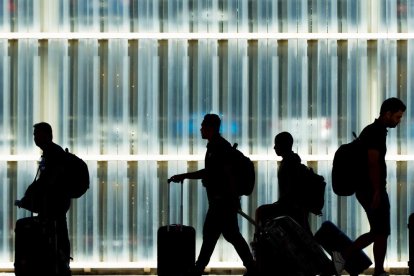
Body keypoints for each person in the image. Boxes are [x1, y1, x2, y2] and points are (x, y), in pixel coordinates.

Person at [168, 114, 256, 276]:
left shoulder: (218, 147)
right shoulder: (216, 146)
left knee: (215, 235)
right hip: (223, 201)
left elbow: (215, 173)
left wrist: (185, 176)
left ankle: (199, 269)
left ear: (211, 128)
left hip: (222, 202)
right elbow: (213, 173)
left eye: (203, 126)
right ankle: (251, 267)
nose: (201, 129)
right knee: (226, 235)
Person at [332, 97, 406, 276]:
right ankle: (345, 256)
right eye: (397, 116)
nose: (399, 121)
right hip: (371, 189)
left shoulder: (374, 131)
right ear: (387, 114)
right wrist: (377, 191)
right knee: (380, 231)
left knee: (380, 231)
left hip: (367, 188)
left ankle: (373, 268)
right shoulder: (376, 132)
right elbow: (373, 163)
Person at [15, 122, 72, 275]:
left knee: (55, 233)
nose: (34, 138)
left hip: (55, 204)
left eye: (37, 134)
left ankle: (60, 264)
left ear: (47, 135)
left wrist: (28, 198)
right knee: (57, 232)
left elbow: (46, 181)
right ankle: (60, 263)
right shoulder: (50, 152)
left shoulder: (53, 153)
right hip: (56, 203)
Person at [255, 131, 311, 233]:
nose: (274, 147)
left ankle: (259, 240)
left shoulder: (288, 164)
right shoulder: (293, 161)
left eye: (276, 144)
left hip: (290, 207)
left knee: (261, 212)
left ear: (283, 145)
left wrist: (281, 203)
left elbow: (290, 190)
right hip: (297, 207)